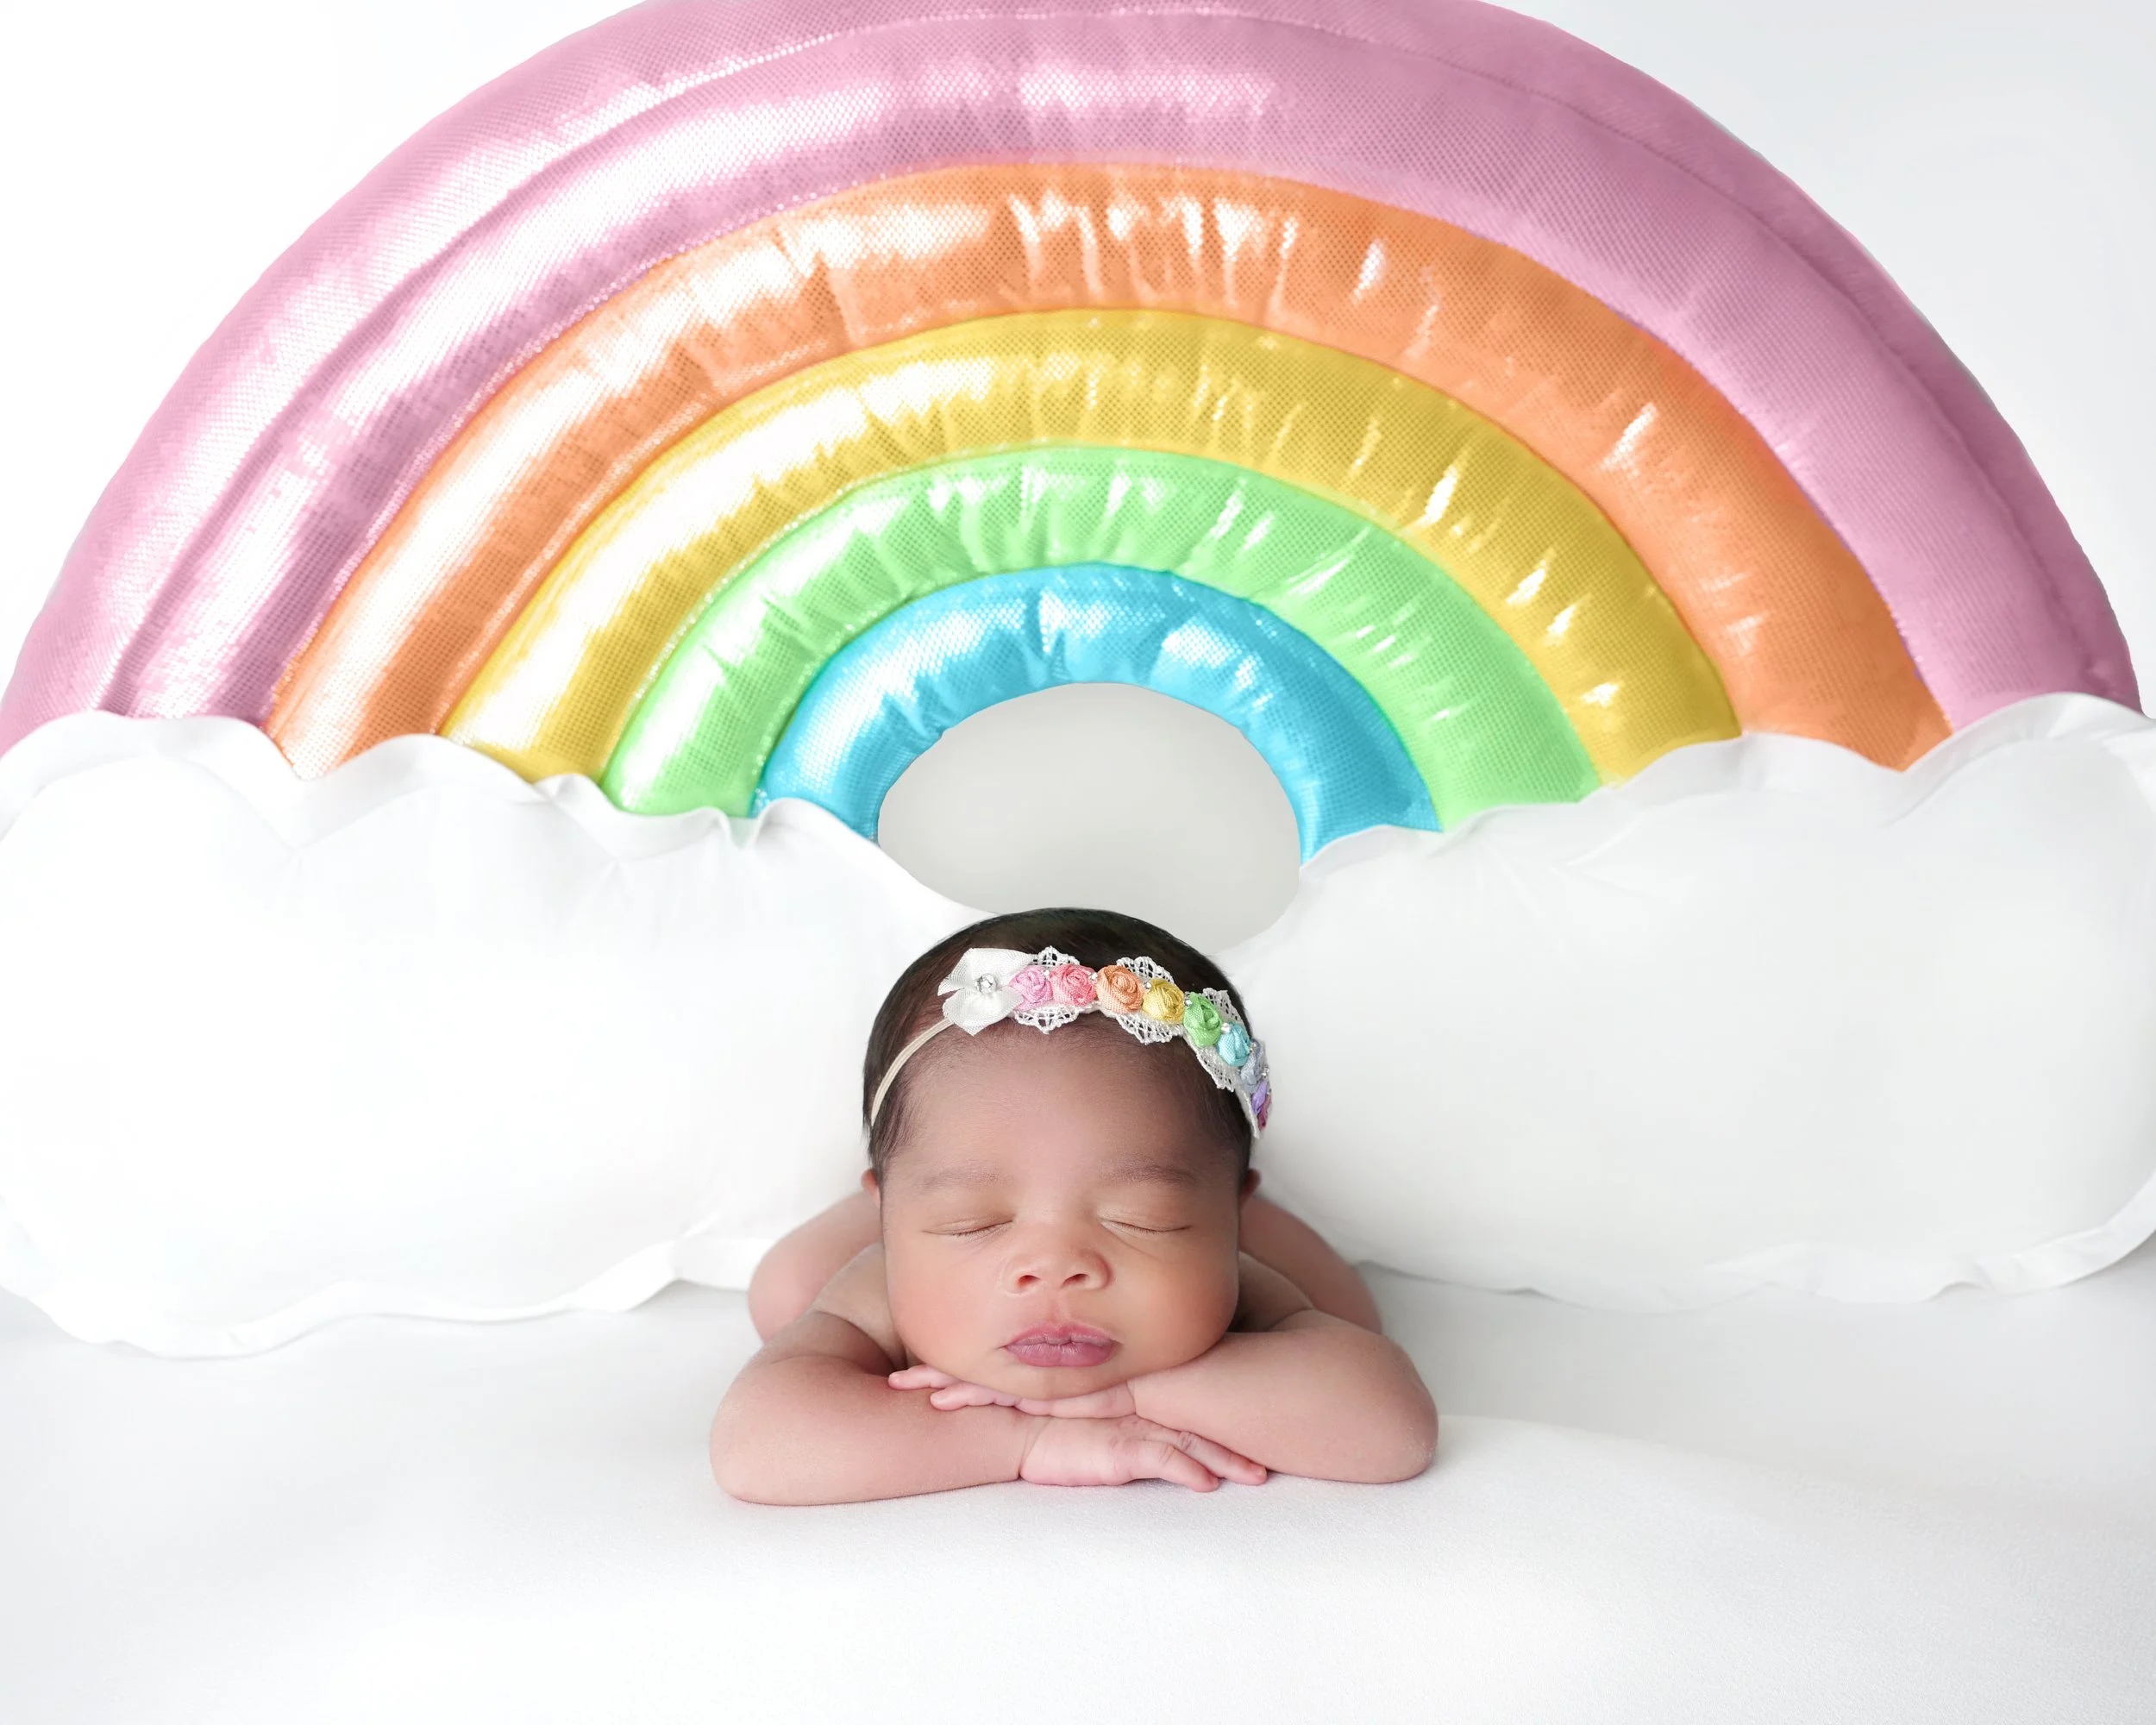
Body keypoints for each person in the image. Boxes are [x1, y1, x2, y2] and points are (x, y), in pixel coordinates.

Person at [710, 906, 1438, 1503]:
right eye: (975, 1222)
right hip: (874, 1235)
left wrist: (1135, 1395)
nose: (1055, 1267)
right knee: (785, 1290)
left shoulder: (1243, 1282)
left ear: (1230, 1223)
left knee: (1346, 1308)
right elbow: (755, 1445)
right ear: (891, 1223)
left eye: (1142, 1217)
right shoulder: (878, 1293)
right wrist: (1029, 1441)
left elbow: (1391, 1427)